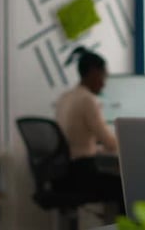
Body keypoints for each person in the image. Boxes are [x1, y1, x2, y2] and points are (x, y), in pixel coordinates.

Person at [55, 46, 124, 215]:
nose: (104, 82)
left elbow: (75, 141)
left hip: (61, 175)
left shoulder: (65, 97)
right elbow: (110, 143)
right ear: (94, 72)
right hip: (81, 174)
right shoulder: (87, 99)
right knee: (126, 186)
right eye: (104, 76)